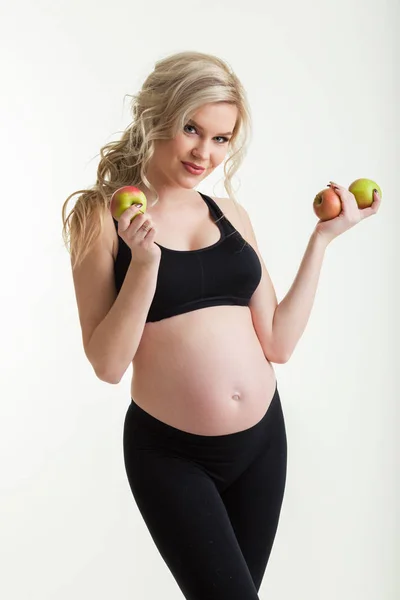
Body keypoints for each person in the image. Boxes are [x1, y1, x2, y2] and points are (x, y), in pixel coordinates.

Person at [61, 51, 381, 600]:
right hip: (171, 456)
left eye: (221, 138)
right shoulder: (103, 216)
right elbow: (107, 364)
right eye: (191, 128)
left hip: (262, 444)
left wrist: (322, 239)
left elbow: (278, 342)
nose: (203, 153)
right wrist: (144, 264)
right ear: (156, 115)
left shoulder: (229, 213)